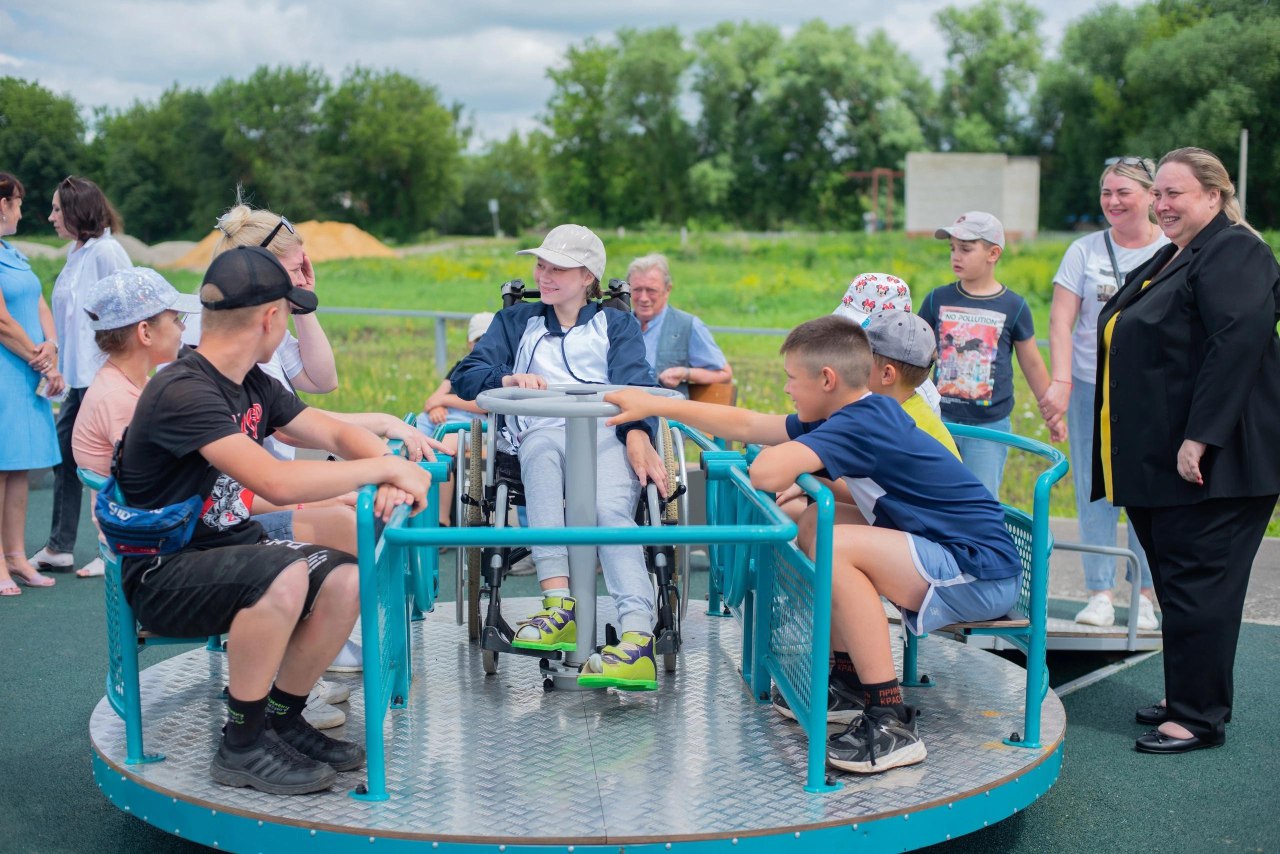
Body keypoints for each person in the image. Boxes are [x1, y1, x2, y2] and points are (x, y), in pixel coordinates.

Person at [604, 315, 1024, 773]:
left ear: (827, 380)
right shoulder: (851, 414)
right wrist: (657, 406)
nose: (787, 390)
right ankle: (845, 681)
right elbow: (748, 423)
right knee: (813, 526)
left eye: (791, 379)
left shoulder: (860, 422)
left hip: (978, 571)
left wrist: (788, 466)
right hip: (954, 552)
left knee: (837, 545)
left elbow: (766, 473)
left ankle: (890, 720)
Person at [115, 245, 431, 794]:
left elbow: (329, 431)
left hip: (230, 551)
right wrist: (383, 467)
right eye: (285, 314)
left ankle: (281, 719)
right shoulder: (184, 390)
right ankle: (240, 743)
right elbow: (276, 482)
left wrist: (384, 468)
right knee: (281, 577)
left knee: (346, 580)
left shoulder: (252, 382)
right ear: (270, 318)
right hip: (164, 572)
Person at [73, 265, 355, 728]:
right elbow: (221, 496)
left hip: (192, 526)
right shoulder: (131, 401)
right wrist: (310, 501)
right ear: (145, 331)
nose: (187, 328)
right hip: (169, 544)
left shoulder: (140, 385)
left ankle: (283, 691)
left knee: (334, 549)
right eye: (175, 319)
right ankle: (263, 699)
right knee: (292, 564)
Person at [195, 202, 436, 676]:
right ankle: (315, 667)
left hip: (253, 496)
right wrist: (381, 470)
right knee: (354, 526)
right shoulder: (205, 374)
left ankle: (310, 677)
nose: (299, 282)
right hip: (229, 513)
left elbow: (319, 395)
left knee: (361, 517)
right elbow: (265, 481)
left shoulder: (255, 369)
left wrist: (385, 446)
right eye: (292, 273)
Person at [1092, 147, 1280, 755]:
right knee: (1178, 583)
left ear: (1214, 197)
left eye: (1177, 193)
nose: (1163, 204)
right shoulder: (1175, 255)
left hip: (1217, 462)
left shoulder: (1236, 250)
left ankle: (1199, 718)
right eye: (1161, 194)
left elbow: (1238, 343)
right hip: (1161, 465)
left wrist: (1201, 435)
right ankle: (1186, 694)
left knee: (1201, 585)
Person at [451, 224, 668, 690]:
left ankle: (637, 640)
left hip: (606, 432)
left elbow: (636, 382)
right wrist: (506, 378)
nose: (544, 275)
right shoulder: (515, 323)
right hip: (541, 430)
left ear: (588, 276)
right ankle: (558, 606)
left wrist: (637, 434)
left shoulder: (616, 324)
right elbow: (466, 374)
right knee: (542, 452)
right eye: (541, 265)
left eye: (558, 268)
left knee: (611, 510)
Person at [1041, 158, 1168, 631]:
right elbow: (1060, 320)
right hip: (1092, 387)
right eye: (1106, 193)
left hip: (1150, 392)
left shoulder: (1172, 249)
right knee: (1094, 489)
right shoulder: (1084, 250)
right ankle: (1100, 592)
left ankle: (1146, 594)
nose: (1113, 202)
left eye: (1123, 193)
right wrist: (1062, 378)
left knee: (1145, 490)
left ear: (1151, 195)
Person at [918, 212, 1062, 498]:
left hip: (990, 425)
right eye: (953, 249)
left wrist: (1051, 414)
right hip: (940, 420)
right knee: (935, 495)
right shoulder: (937, 299)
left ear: (993, 253)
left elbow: (1032, 362)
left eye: (966, 249)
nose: (956, 256)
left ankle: (979, 545)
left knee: (981, 498)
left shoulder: (1013, 305)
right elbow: (917, 353)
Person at [30, 176, 131, 576]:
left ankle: (112, 546)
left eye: (57, 209)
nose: (51, 216)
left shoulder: (108, 251)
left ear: (76, 211)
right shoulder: (78, 252)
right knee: (66, 457)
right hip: (77, 377)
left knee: (102, 460)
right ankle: (60, 545)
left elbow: (127, 306)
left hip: (100, 375)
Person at [0, 173, 64, 595]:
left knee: (19, 466)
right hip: (8, 373)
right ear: (1, 203)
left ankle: (16, 556)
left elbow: (39, 302)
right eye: (18, 202)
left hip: (27, 373)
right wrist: (41, 361)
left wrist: (53, 345)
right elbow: (2, 320)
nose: (23, 210)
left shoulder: (12, 252)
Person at [421, 312, 493, 527]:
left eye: (488, 340)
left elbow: (484, 405)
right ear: (469, 343)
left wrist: (447, 400)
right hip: (443, 417)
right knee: (403, 437)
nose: (482, 346)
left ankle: (441, 520)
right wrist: (438, 406)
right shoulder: (461, 366)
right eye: (478, 341)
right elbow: (432, 399)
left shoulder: (499, 369)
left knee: (443, 450)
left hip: (474, 423)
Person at [627, 253, 731, 397]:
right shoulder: (618, 325)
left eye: (651, 290)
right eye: (637, 290)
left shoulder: (688, 325)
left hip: (667, 416)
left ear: (667, 290)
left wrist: (685, 373)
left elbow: (724, 374)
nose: (643, 298)